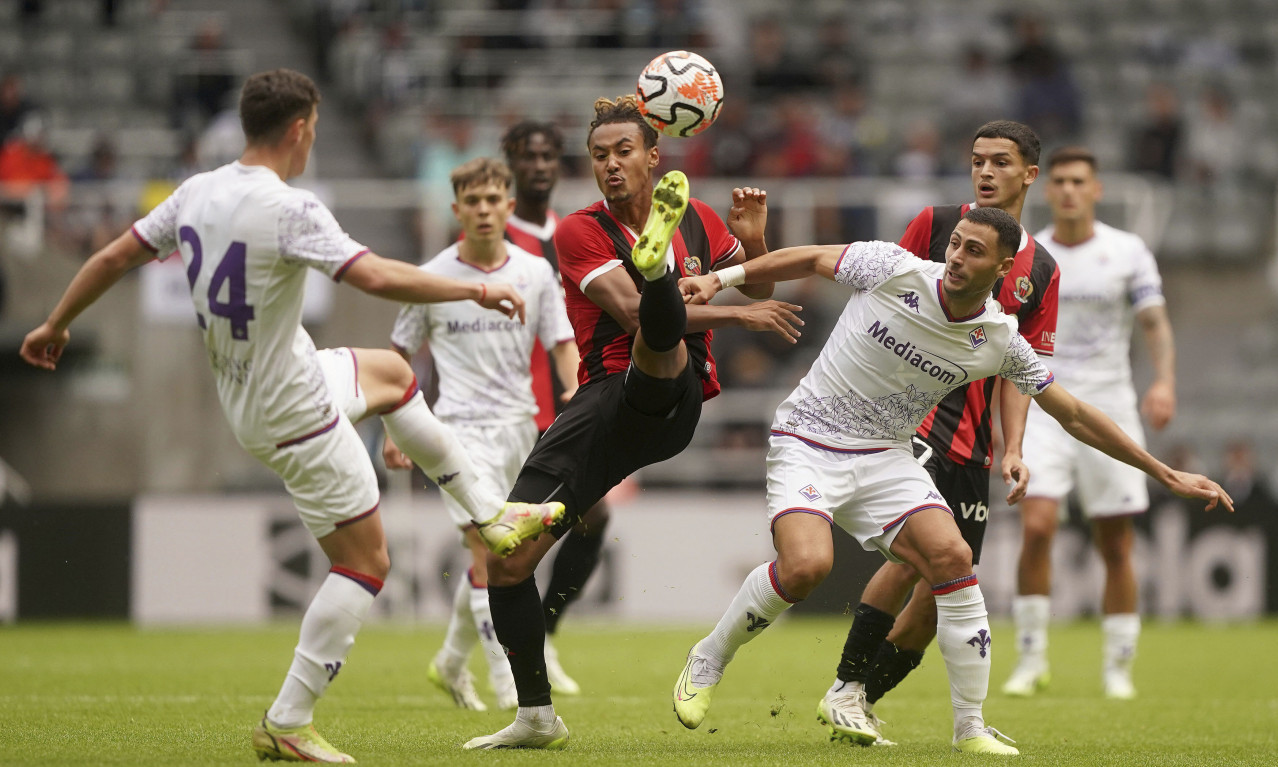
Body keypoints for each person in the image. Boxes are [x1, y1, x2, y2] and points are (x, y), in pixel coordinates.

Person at [18, 68, 564, 764]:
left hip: (266, 385)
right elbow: (374, 275)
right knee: (366, 561)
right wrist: (475, 290)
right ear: (301, 129)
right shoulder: (290, 208)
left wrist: (56, 322)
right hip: (296, 413)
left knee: (394, 375)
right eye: (315, 129)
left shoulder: (195, 191)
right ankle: (288, 718)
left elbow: (116, 254)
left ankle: (489, 513)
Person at [671, 207, 1232, 755]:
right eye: (957, 243)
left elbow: (1075, 414)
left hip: (885, 456)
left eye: (974, 250)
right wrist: (721, 279)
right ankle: (710, 656)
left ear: (1004, 268)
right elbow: (813, 257)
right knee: (807, 566)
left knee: (953, 558)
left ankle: (970, 727)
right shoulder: (894, 268)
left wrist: (1163, 472)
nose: (957, 257)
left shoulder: (999, 338)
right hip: (810, 438)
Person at [462, 94, 803, 750]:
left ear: (654, 157)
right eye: (599, 155)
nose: (611, 164)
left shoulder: (699, 216)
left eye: (624, 152)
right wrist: (736, 313)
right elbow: (636, 313)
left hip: (668, 396)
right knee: (505, 558)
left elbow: (760, 285)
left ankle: (658, 272)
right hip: (601, 407)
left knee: (659, 344)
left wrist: (755, 239)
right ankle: (536, 716)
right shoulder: (579, 231)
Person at [819, 120, 1060, 747]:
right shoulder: (934, 224)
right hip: (915, 423)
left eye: (1000, 162)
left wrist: (1013, 446)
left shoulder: (1041, 268)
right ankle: (845, 686)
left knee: (941, 593)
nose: (986, 172)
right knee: (912, 559)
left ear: (1029, 174)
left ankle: (859, 700)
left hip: (974, 444)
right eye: (978, 160)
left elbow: (1023, 371)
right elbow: (880, 300)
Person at [383, 156, 579, 712]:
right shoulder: (432, 275)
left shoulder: (534, 273)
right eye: (473, 201)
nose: (484, 210)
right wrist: (394, 427)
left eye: (494, 200)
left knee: (507, 559)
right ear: (457, 210)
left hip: (520, 427)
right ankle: (509, 683)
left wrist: (573, 392)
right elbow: (398, 355)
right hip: (457, 431)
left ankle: (450, 662)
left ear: (509, 207)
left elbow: (561, 341)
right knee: (488, 547)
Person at [1003, 146, 1178, 700]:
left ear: (1096, 190)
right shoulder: (1031, 253)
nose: (1069, 190)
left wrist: (1164, 381)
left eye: (1079, 181)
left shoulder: (1127, 251)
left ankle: (1118, 666)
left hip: (1110, 406)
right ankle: (1031, 658)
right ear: (1047, 188)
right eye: (1060, 181)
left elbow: (1154, 321)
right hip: (1044, 403)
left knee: (1116, 541)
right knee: (1036, 527)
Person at [499, 119, 607, 695]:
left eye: (547, 157)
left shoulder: (572, 232)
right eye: (527, 156)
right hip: (510, 407)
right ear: (510, 165)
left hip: (566, 402)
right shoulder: (493, 236)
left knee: (596, 517)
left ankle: (545, 631)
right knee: (501, 539)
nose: (538, 166)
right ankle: (496, 656)